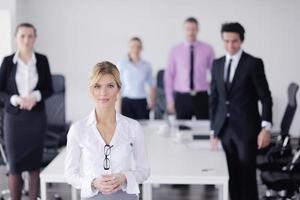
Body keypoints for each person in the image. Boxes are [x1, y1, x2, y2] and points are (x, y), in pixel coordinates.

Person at [65, 61, 150, 199]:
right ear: (91, 91)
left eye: (110, 86)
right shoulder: (78, 129)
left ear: (118, 90)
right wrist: (93, 182)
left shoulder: (133, 127)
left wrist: (124, 178)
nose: (103, 93)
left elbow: (144, 171)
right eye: (97, 86)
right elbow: (70, 175)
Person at [209, 22, 273, 200]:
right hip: (224, 129)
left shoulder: (253, 63)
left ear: (241, 40)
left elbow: (266, 98)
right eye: (227, 41)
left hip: (247, 130)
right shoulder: (217, 64)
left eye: (234, 41)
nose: (231, 45)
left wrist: (266, 128)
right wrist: (213, 130)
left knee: (247, 176)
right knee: (230, 176)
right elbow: (214, 99)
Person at [0, 23, 53, 200]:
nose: (26, 40)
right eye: (22, 36)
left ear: (35, 38)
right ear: (16, 38)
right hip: (14, 119)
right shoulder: (8, 62)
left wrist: (35, 96)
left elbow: (48, 88)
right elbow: (1, 91)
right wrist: (16, 99)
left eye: (30, 36)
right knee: (14, 166)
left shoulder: (42, 60)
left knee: (34, 165)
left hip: (36, 118)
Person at [164, 17, 214, 119]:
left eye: (193, 29)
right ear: (184, 29)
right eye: (188, 29)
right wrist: (170, 100)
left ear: (197, 29)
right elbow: (169, 76)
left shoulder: (208, 49)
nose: (191, 32)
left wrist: (210, 88)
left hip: (202, 96)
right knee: (182, 132)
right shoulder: (175, 50)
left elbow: (215, 73)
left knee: (203, 131)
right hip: (182, 97)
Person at [117, 37, 156, 120]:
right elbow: (118, 86)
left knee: (143, 129)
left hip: (142, 101)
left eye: (138, 47)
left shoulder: (147, 65)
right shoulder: (122, 64)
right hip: (127, 102)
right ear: (129, 48)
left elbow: (152, 84)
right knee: (127, 129)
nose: (135, 49)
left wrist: (152, 101)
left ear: (141, 48)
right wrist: (118, 107)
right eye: (133, 47)